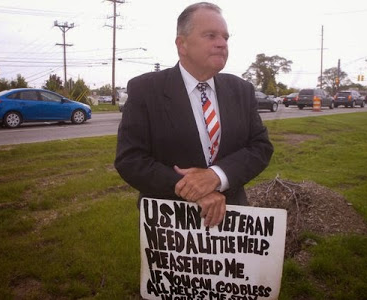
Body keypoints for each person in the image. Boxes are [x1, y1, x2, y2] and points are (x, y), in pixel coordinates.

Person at [115, 2, 273, 228]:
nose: (221, 44)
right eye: (210, 35)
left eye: (225, 38)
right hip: (170, 222)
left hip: (231, 219)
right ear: (182, 44)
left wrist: (217, 176)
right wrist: (192, 189)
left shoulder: (241, 90)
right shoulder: (146, 90)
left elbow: (260, 147)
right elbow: (130, 159)